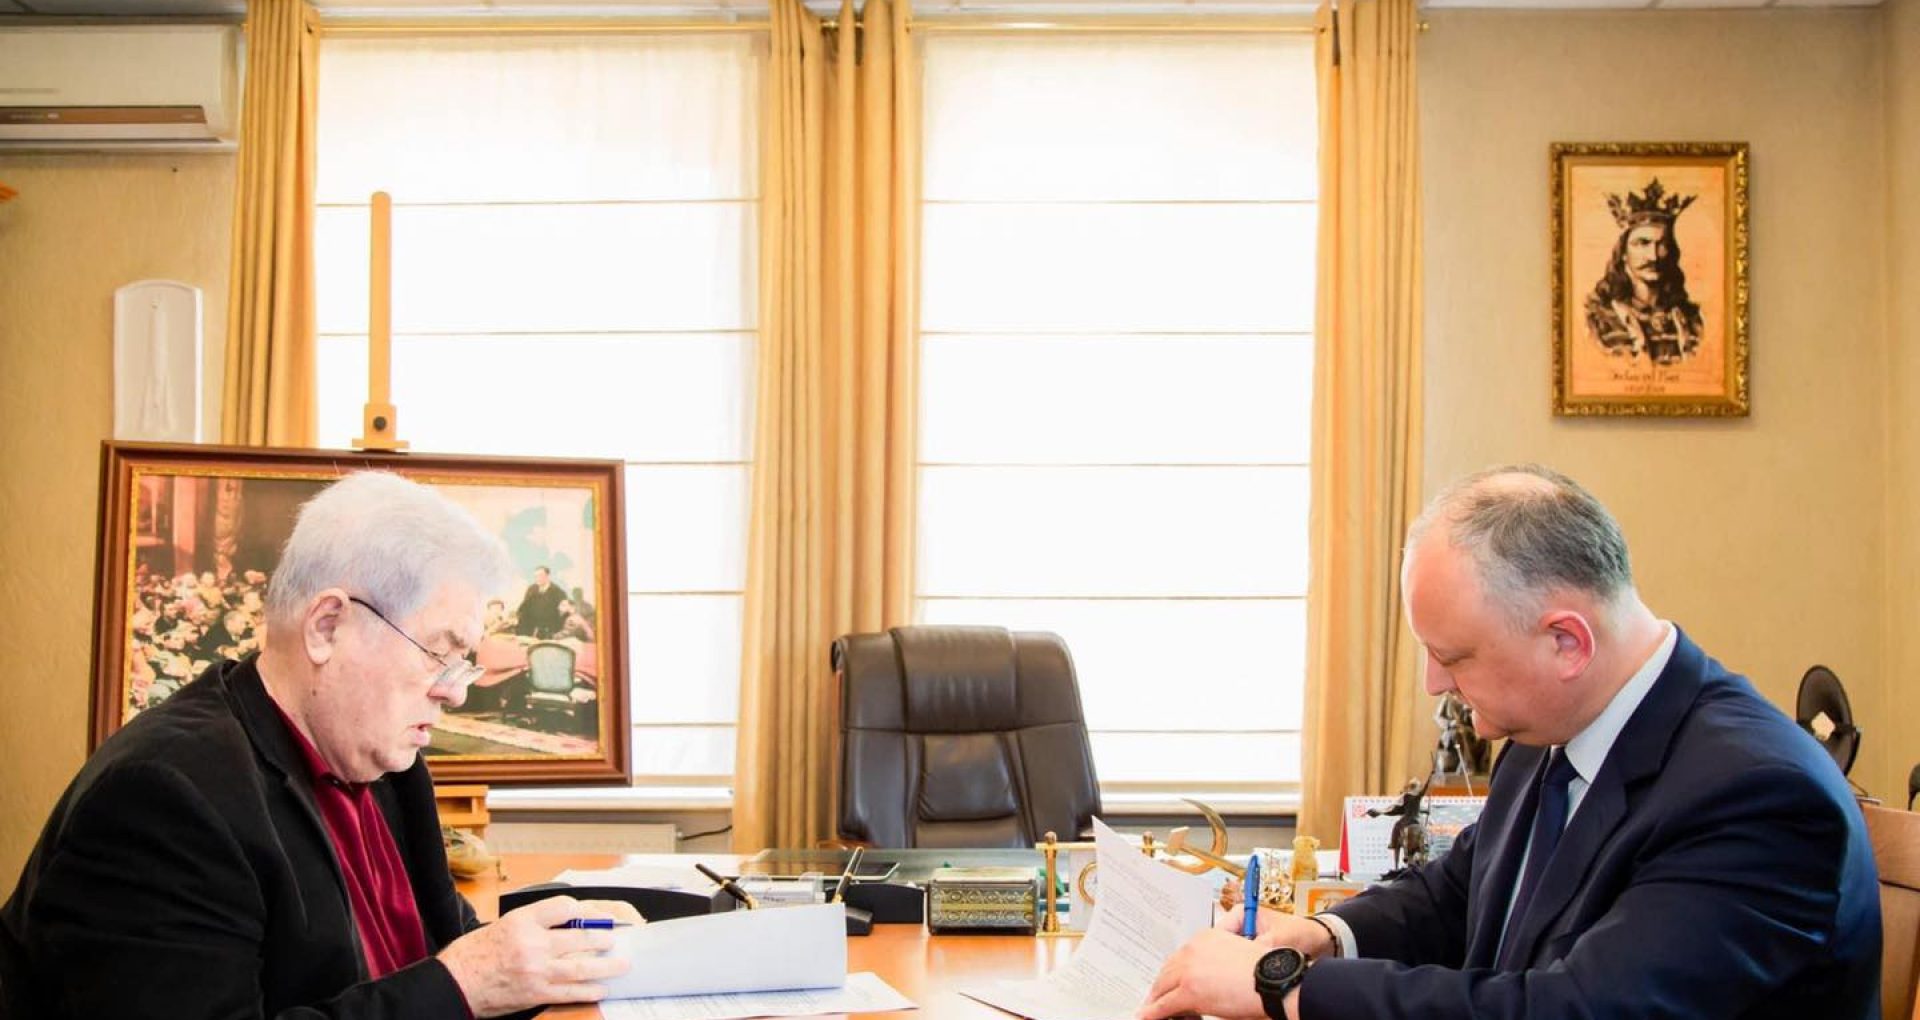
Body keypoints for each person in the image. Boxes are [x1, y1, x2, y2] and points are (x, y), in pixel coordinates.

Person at [1142, 465, 1880, 1020]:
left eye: (1455, 657)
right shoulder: (1546, 730)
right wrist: (1323, 935)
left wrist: (1282, 991)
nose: (1434, 683)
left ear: (1566, 642)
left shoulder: (1759, 796)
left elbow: (1576, 1009)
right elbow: (1462, 890)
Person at [0, 472, 640, 1019]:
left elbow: (449, 947)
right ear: (327, 627)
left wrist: (559, 952)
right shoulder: (163, 799)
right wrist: (466, 984)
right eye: (438, 654)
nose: (454, 692)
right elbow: (454, 981)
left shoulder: (387, 764)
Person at [1584, 178, 1706, 365]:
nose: (1653, 256)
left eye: (1661, 245)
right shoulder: (1600, 318)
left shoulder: (1690, 320)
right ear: (1623, 253)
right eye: (1642, 243)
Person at [514, 565, 567, 639]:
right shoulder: (532, 589)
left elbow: (561, 614)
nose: (537, 578)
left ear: (548, 576)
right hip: (530, 628)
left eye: (540, 576)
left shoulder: (558, 592)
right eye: (536, 576)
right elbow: (524, 607)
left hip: (548, 630)